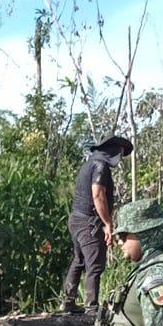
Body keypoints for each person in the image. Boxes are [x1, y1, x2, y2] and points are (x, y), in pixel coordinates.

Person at [61, 135, 133, 315]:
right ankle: (91, 307)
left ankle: (68, 301)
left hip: (76, 219)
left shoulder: (89, 164)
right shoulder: (101, 166)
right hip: (88, 221)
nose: (120, 159)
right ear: (114, 151)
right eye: (120, 154)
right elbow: (98, 195)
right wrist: (108, 223)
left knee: (79, 260)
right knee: (95, 264)